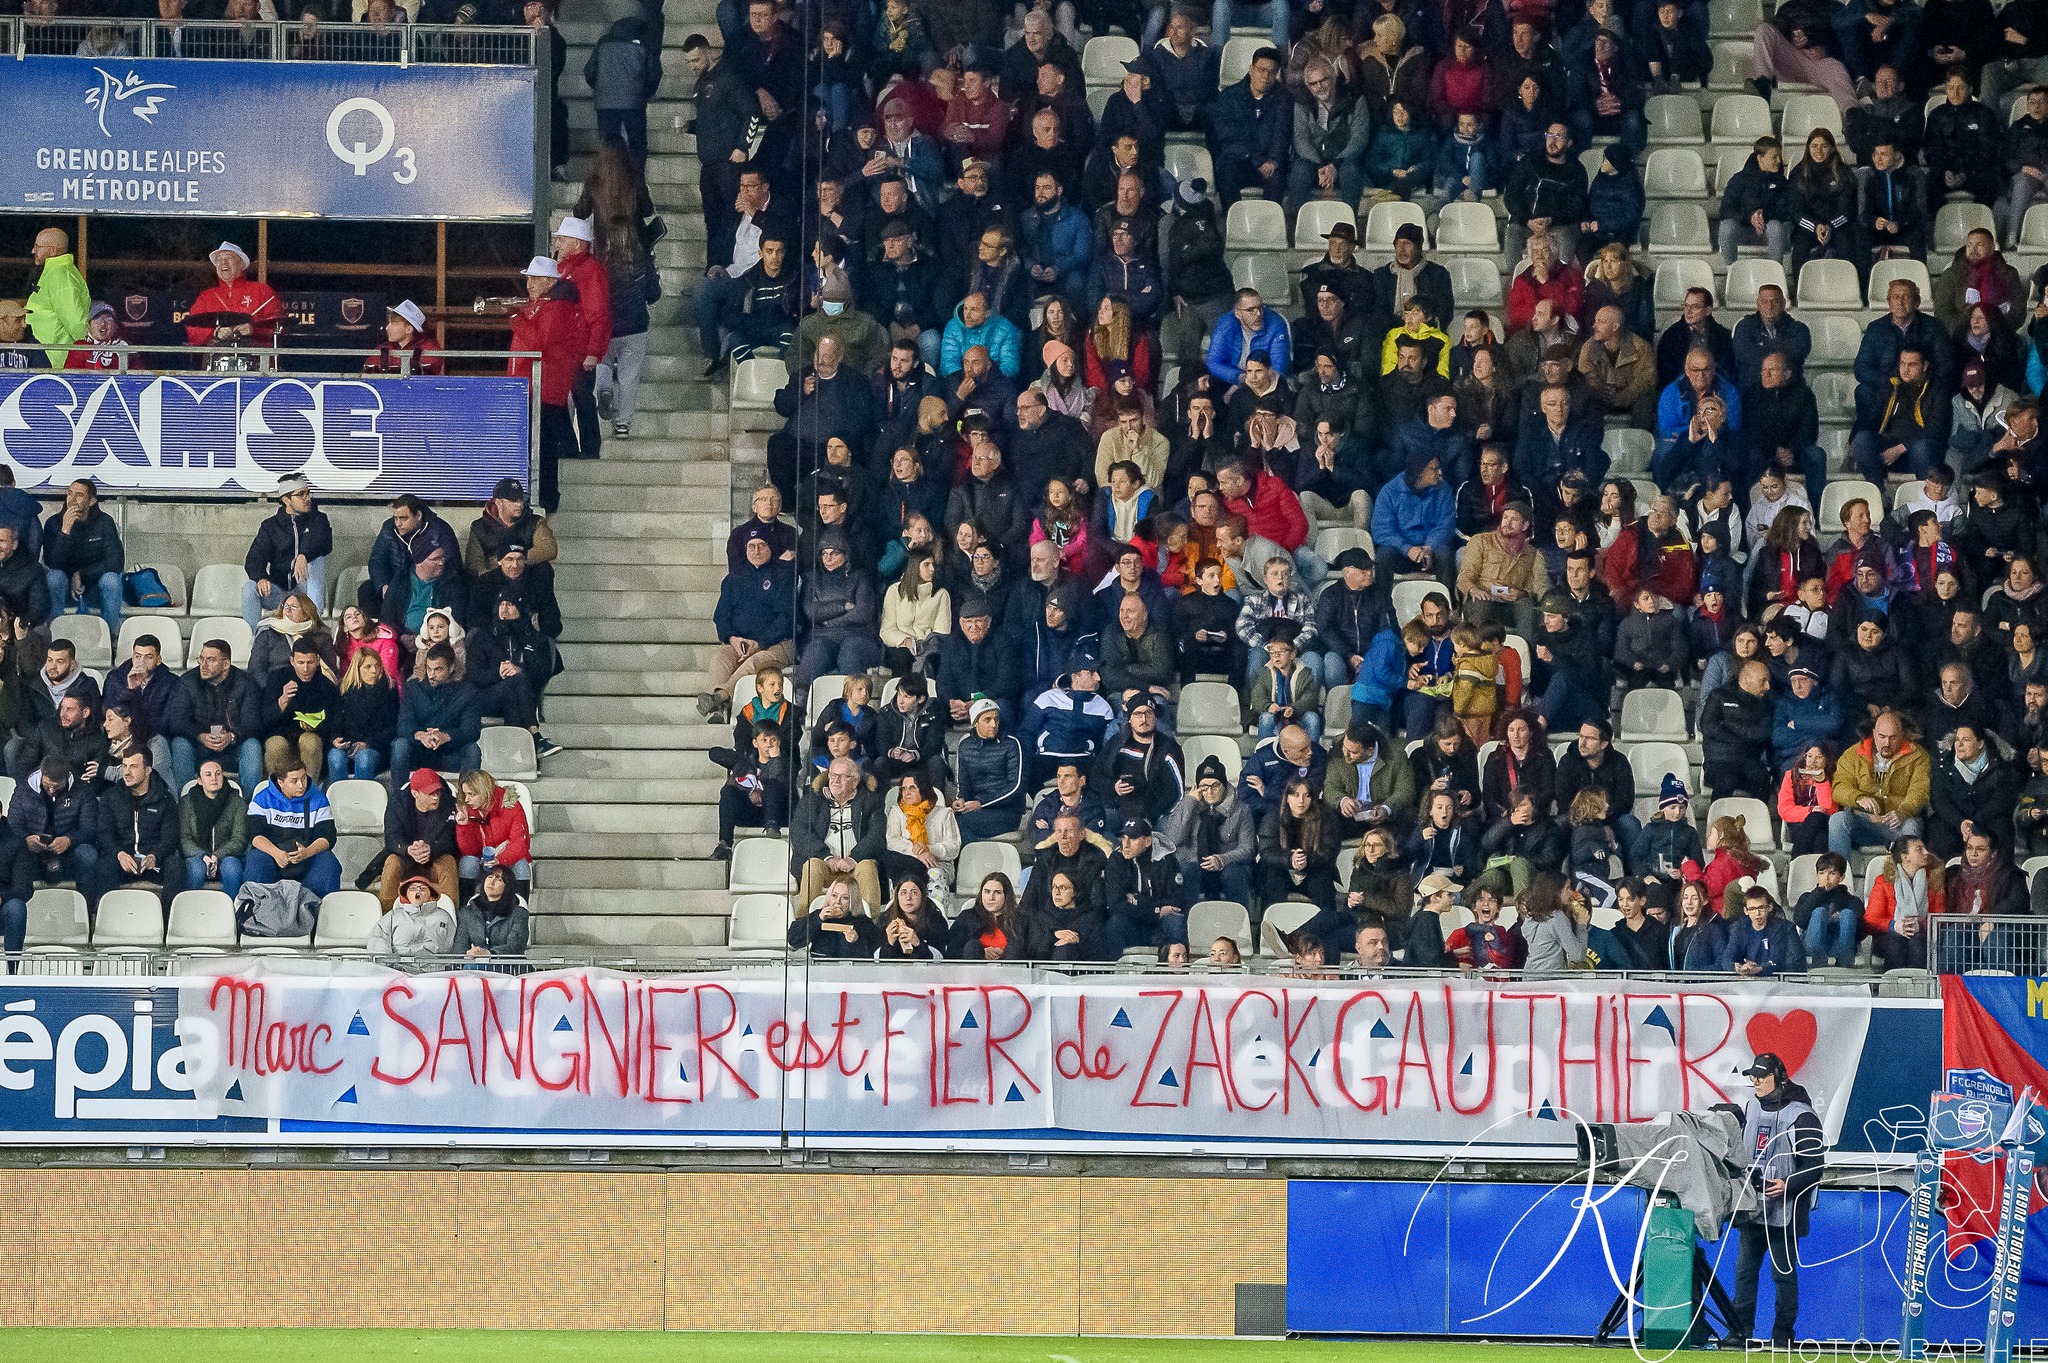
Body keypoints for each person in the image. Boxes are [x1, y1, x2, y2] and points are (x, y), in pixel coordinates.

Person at [1723, 1052, 1825, 1349]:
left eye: (1760, 1077)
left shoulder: (1802, 1115)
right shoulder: (1750, 1107)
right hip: (1752, 1208)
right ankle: (1740, 1332)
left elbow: (1815, 1166)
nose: (1754, 1082)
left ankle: (1783, 1336)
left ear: (1778, 1078)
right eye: (1752, 1076)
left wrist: (1787, 1185)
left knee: (1783, 1276)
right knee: (1744, 1274)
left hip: (1785, 1213)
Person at [508, 254, 587, 513]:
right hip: (533, 386)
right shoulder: (545, 306)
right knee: (538, 444)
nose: (529, 283)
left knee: (542, 447)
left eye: (536, 278)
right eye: (528, 277)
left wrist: (515, 318)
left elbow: (536, 342)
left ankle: (546, 497)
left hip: (543, 387)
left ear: (550, 281)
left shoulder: (557, 308)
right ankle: (540, 495)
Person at [242, 476, 332, 627]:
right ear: (286, 500)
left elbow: (324, 544)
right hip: (280, 591)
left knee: (316, 560)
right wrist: (260, 578)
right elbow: (254, 558)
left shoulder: (318, 519)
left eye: (308, 493)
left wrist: (304, 555)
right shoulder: (270, 526)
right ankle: (253, 638)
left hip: (305, 592)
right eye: (301, 494)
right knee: (249, 588)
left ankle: (314, 626)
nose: (307, 498)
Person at [243, 759, 341, 899]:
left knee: (328, 861)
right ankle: (256, 909)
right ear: (281, 783)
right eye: (294, 781)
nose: (301, 785)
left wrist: (307, 852)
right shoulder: (262, 799)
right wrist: (276, 853)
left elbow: (327, 836)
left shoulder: (319, 799)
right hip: (273, 856)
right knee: (256, 858)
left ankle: (321, 911)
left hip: (307, 857)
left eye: (304, 778)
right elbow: (254, 835)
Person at [42, 477, 122, 633]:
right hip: (65, 590)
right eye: (69, 493)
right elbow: (52, 563)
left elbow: (116, 561)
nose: (71, 499)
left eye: (79, 495)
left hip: (94, 587)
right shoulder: (54, 523)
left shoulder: (105, 522)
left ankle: (110, 637)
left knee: (112, 580)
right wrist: (65, 531)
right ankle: (56, 637)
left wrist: (82, 575)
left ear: (91, 501)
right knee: (53, 577)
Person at [390, 644, 481, 782]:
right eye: (429, 669)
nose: (431, 675)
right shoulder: (413, 687)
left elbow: (471, 730)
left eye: (438, 670)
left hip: (450, 752)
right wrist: (420, 735)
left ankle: (466, 797)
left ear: (451, 668)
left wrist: (446, 736)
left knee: (472, 750)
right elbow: (404, 724)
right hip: (420, 751)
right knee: (400, 745)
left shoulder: (468, 692)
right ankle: (400, 798)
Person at [182, 241, 282, 350]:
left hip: (256, 360)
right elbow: (192, 328)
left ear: (241, 264)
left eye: (229, 258)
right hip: (216, 361)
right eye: (219, 260)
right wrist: (214, 332)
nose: (223, 263)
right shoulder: (206, 297)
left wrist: (254, 330)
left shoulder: (262, 291)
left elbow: (279, 326)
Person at [179, 757, 248, 900]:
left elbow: (239, 839)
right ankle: (191, 913)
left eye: (218, 774)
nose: (214, 778)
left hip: (227, 856)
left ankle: (233, 914)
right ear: (199, 780)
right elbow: (184, 838)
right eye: (208, 774)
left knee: (232, 869)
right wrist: (203, 856)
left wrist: (217, 855)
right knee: (195, 869)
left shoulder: (237, 802)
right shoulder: (187, 802)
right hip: (197, 857)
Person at [25, 227, 88, 367]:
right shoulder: (54, 272)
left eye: (37, 246)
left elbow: (76, 319)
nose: (33, 251)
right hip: (44, 349)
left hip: (51, 354)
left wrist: (84, 351)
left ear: (53, 251)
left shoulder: (60, 275)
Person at [368, 876, 457, 957]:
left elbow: (453, 947)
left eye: (423, 889)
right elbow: (378, 939)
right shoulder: (393, 916)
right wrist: (388, 964)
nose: (418, 891)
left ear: (431, 896)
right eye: (413, 888)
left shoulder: (443, 917)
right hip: (398, 969)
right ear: (406, 895)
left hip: (436, 971)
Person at [454, 865, 529, 959]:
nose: (491, 882)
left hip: (507, 968)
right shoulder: (466, 912)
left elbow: (516, 946)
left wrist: (490, 954)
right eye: (489, 876)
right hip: (474, 967)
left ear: (507, 886)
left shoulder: (519, 913)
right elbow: (459, 946)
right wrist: (466, 957)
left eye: (499, 879)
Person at [362, 300, 444, 377]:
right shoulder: (382, 348)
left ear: (408, 329)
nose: (387, 328)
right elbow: (366, 375)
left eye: (394, 324)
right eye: (389, 323)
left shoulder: (430, 349)